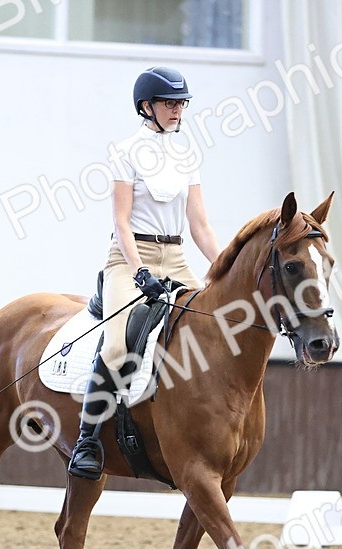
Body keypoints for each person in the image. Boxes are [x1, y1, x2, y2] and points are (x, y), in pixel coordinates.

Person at [68, 66, 221, 480]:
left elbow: (200, 226)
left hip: (176, 254)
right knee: (117, 348)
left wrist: (224, 265)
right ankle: (87, 440)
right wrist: (138, 272)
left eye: (181, 104)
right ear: (146, 107)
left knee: (215, 329)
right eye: (170, 104)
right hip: (129, 255)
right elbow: (120, 221)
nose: (178, 111)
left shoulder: (188, 153)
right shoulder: (125, 150)